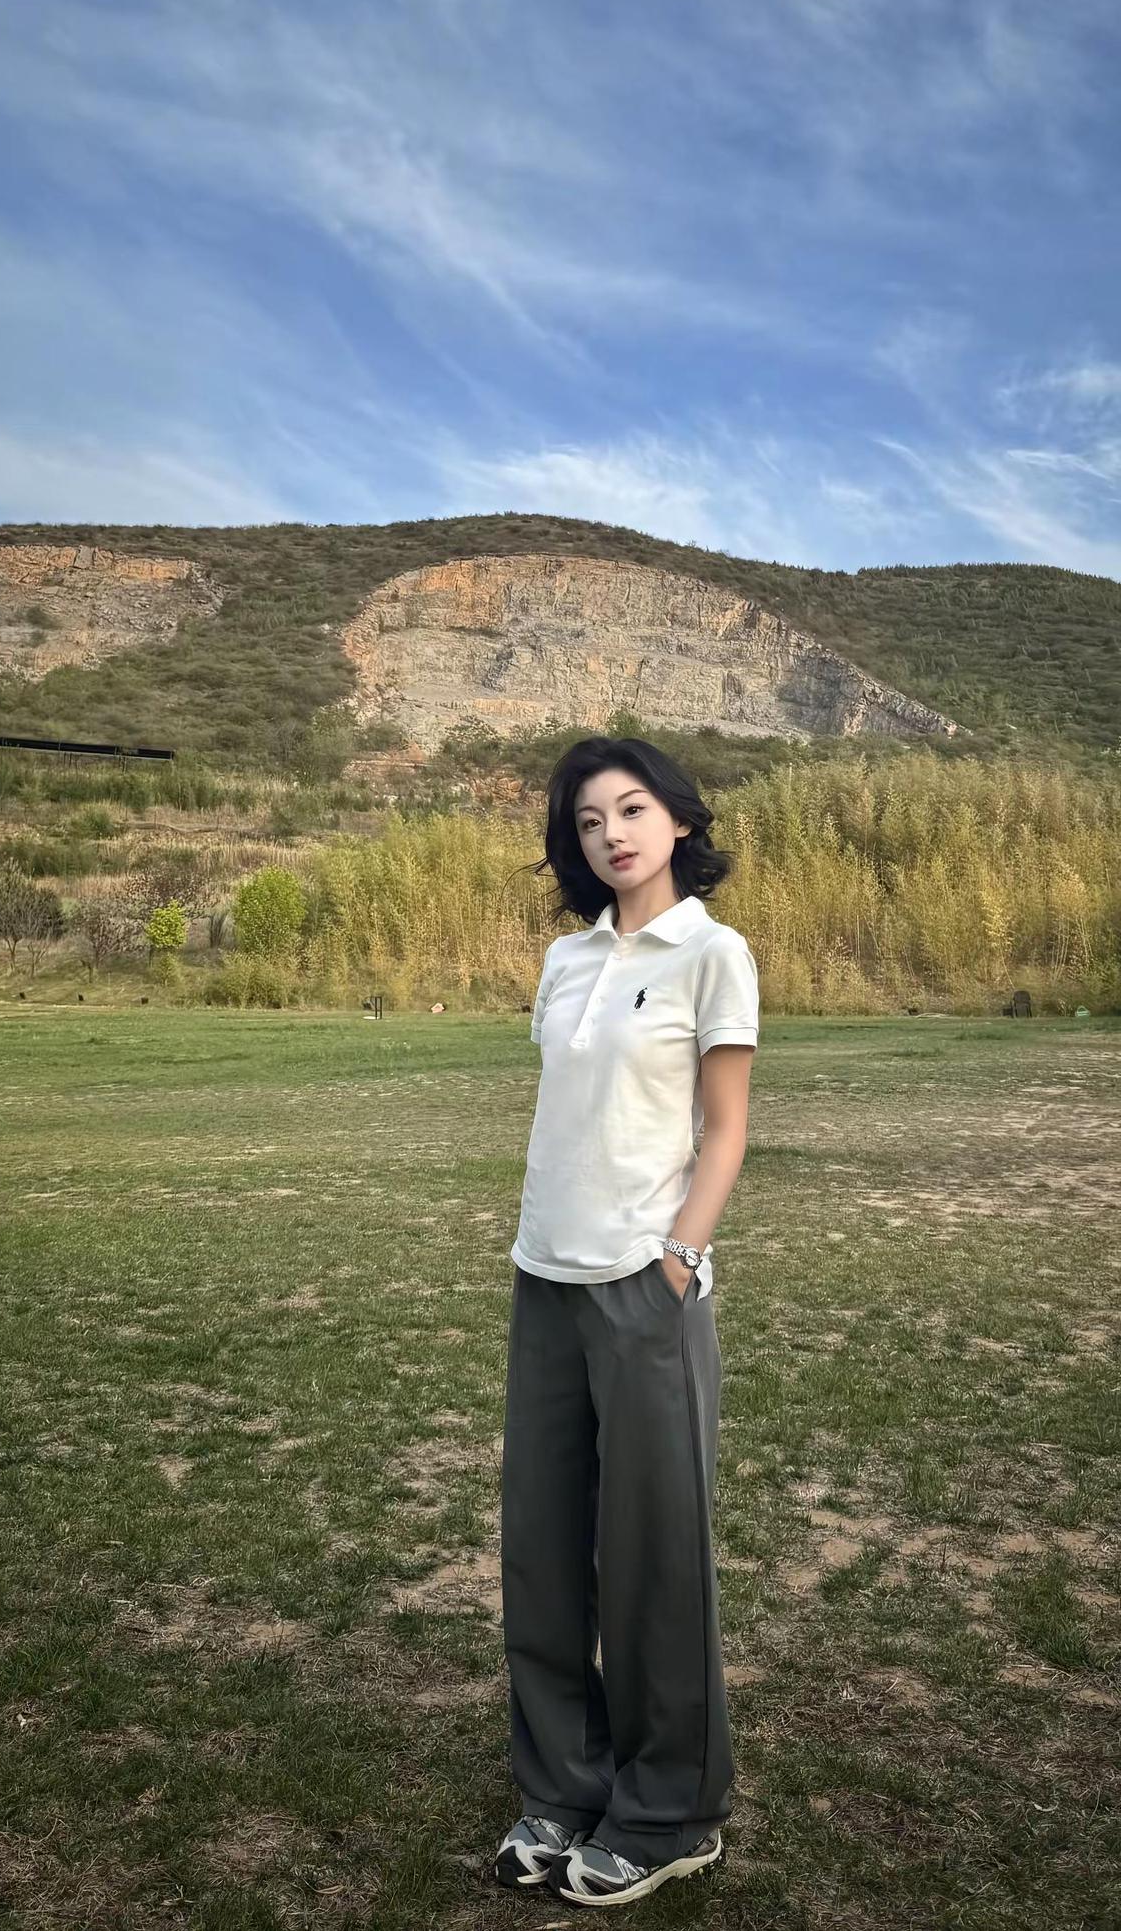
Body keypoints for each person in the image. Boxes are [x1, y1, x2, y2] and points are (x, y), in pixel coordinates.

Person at [495, 735, 759, 1908]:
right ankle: (561, 1787)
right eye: (589, 818)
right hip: (543, 1279)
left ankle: (668, 1812)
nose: (611, 832)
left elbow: (724, 1128)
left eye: (632, 808)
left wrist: (676, 1260)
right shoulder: (565, 959)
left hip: (644, 1289)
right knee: (543, 1551)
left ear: (678, 820)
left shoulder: (710, 952)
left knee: (652, 1558)